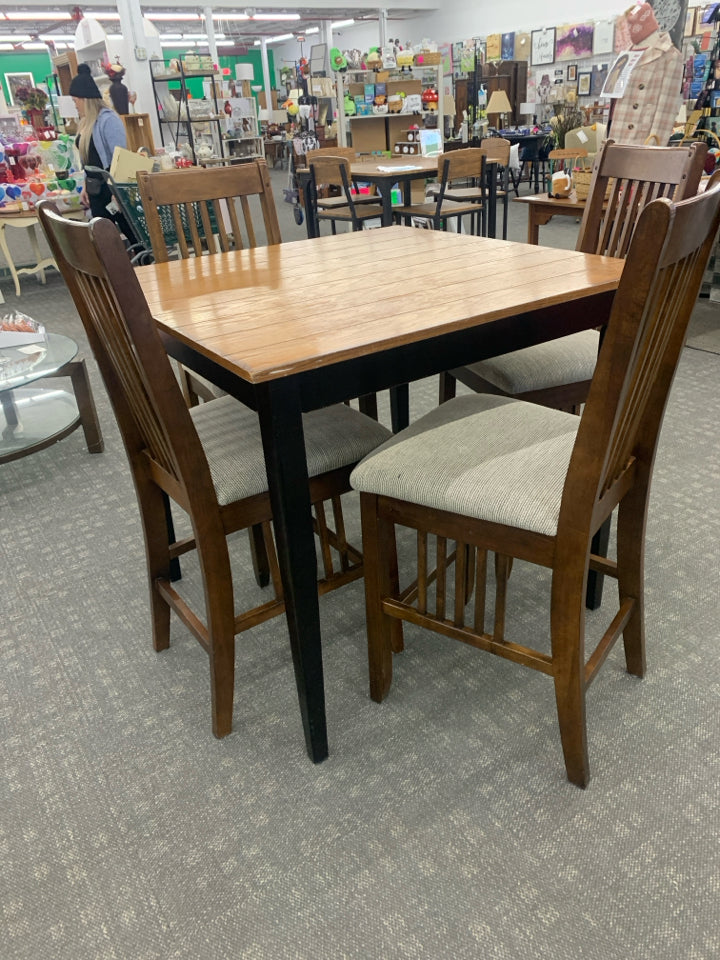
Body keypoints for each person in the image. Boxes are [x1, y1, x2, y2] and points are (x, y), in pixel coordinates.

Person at [69, 63, 131, 237]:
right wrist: (84, 186)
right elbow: (88, 161)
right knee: (103, 237)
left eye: (75, 101)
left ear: (84, 99)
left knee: (132, 233)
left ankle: (144, 263)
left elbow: (120, 157)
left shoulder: (108, 120)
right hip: (95, 189)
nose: (75, 105)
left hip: (110, 187)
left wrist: (118, 192)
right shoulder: (85, 124)